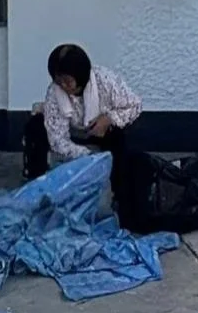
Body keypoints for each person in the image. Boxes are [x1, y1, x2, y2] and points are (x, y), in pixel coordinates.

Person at [33, 43, 143, 217]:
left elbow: (135, 105)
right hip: (74, 137)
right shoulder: (54, 93)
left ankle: (122, 199)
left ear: (80, 75)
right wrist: (89, 156)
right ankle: (40, 193)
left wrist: (109, 119)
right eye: (58, 80)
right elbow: (57, 140)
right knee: (35, 127)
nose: (63, 85)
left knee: (123, 142)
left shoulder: (105, 81)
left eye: (67, 80)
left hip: (103, 131)